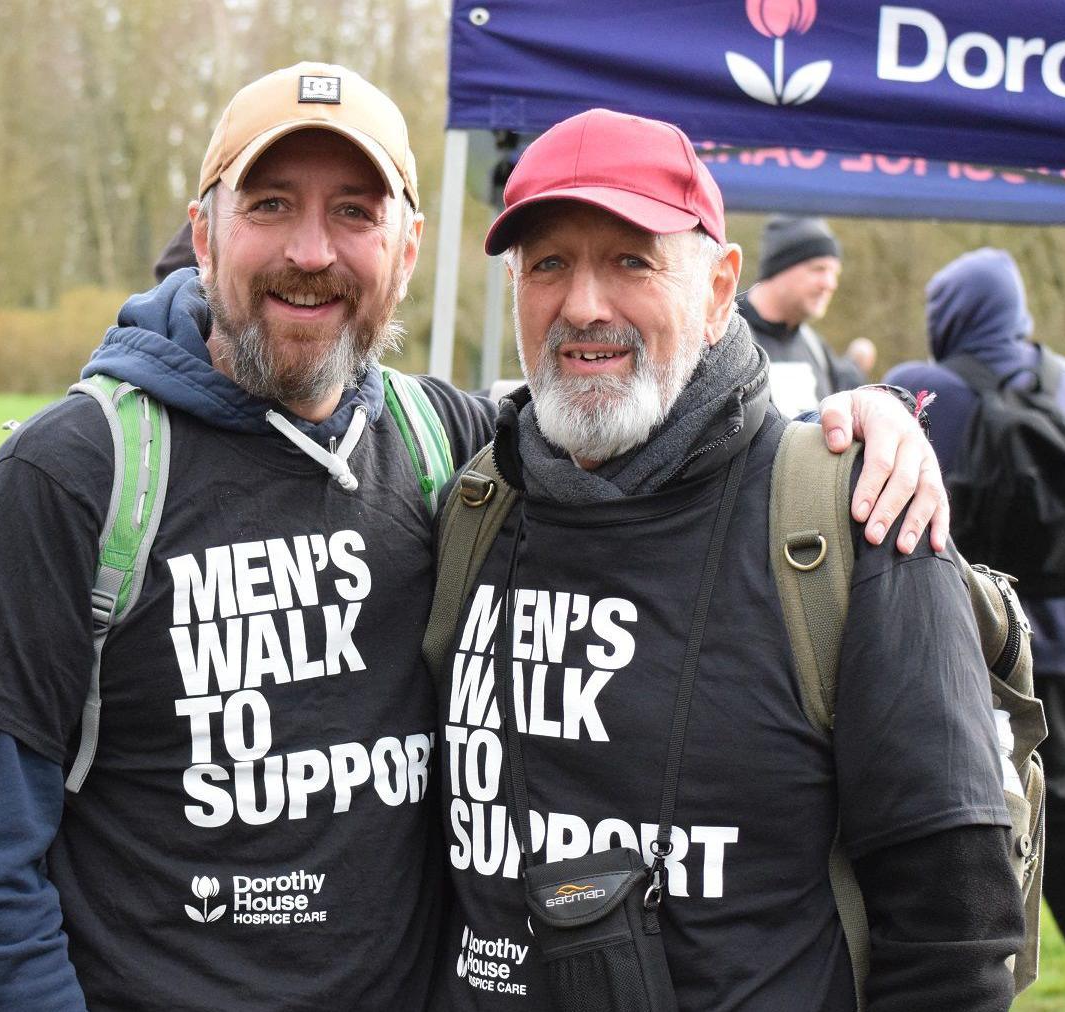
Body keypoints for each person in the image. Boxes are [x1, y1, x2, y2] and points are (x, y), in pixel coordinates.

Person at [0, 66, 948, 1011]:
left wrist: (868, 419)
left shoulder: (446, 445)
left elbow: (626, 413)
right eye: (271, 206)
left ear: (405, 252)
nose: (311, 251)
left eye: (352, 213)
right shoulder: (77, 473)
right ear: (207, 232)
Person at [434, 108, 1015, 1012]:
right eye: (548, 263)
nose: (583, 303)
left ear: (718, 290)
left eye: (631, 259)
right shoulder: (472, 501)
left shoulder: (858, 525)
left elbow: (957, 932)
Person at [884, 248, 1065, 1003]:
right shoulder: (1061, 378)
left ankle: (980, 947)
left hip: (957, 627)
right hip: (1054, 629)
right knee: (1057, 782)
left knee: (953, 792)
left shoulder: (924, 386)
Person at [736, 215, 866, 415]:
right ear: (780, 268)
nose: (830, 284)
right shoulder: (725, 338)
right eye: (819, 269)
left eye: (834, 273)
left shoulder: (815, 347)